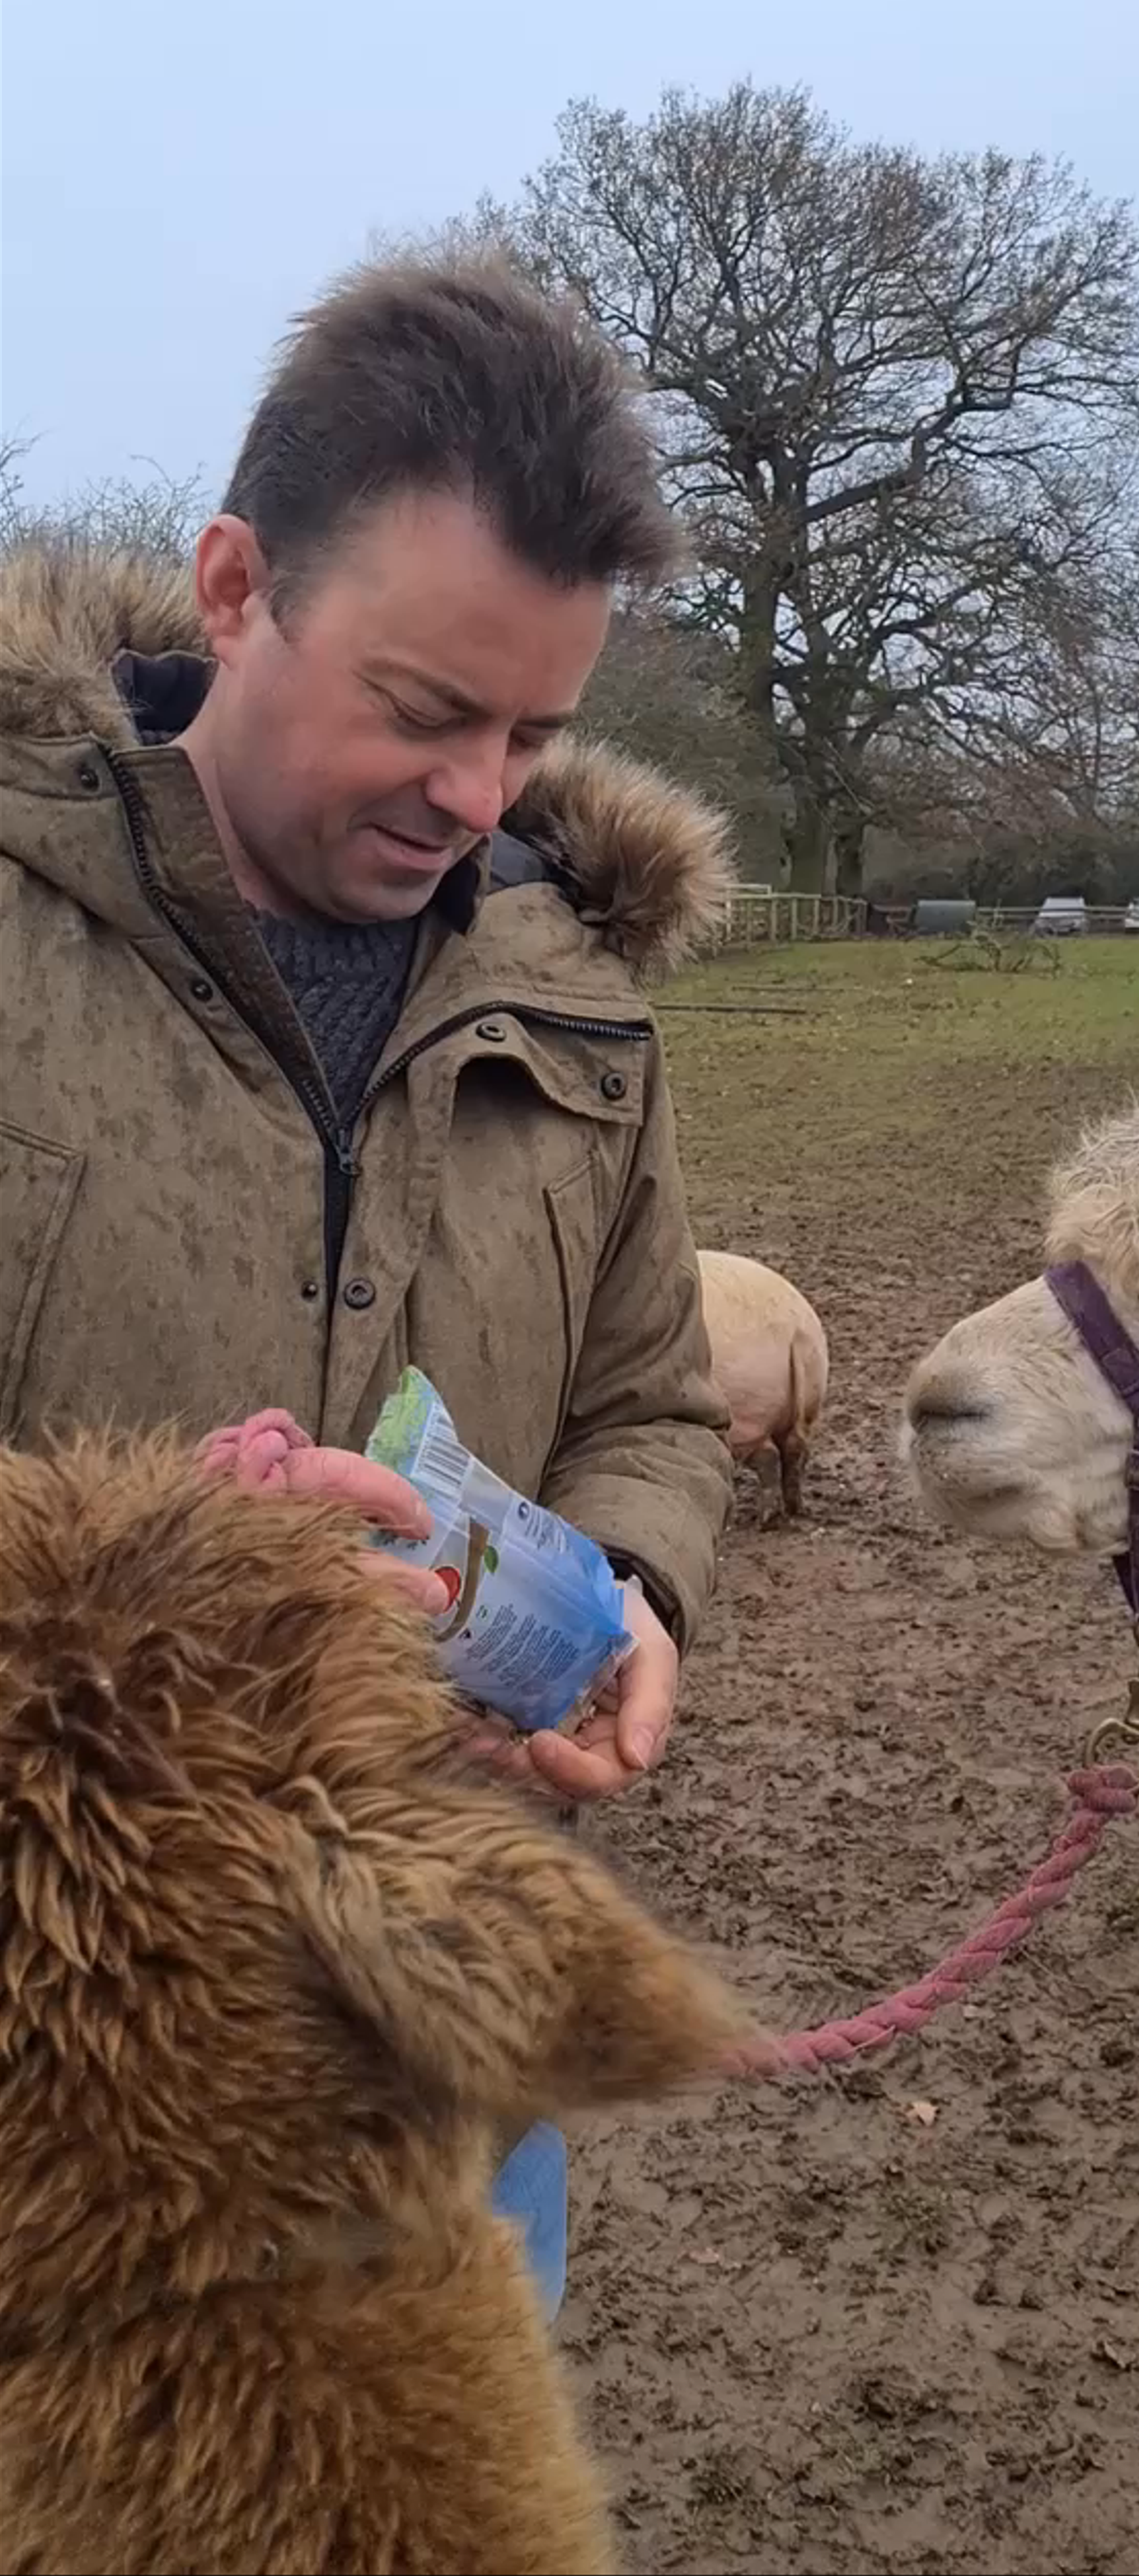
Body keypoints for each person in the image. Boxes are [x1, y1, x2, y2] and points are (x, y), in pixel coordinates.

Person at [0, 246, 736, 2316]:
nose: (478, 797)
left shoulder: (579, 996)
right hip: (59, 2119)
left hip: (449, 2092)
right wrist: (163, 1576)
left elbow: (658, 1402)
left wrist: (635, 1600)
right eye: (423, 710)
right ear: (239, 587)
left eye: (533, 730)